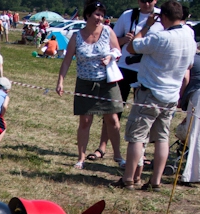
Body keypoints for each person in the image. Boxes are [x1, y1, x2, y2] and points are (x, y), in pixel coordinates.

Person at [118, 0, 195, 190]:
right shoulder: (189, 36)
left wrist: (146, 26)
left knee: (137, 136)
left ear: (164, 17)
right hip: (171, 94)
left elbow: (132, 47)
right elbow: (190, 65)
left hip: (151, 92)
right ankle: (156, 181)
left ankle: (128, 178)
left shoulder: (160, 37)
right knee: (162, 138)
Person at [90, 0, 163, 164]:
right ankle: (102, 147)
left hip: (147, 70)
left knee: (143, 114)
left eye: (149, 0)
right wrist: (123, 40)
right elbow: (112, 41)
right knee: (112, 109)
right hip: (123, 67)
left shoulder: (161, 17)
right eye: (142, 0)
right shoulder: (128, 15)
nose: (146, 3)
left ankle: (142, 152)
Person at [56, 1, 124, 170]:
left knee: (112, 119)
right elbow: (66, 61)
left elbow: (117, 50)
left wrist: (111, 56)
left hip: (107, 82)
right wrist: (60, 81)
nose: (100, 18)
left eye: (102, 15)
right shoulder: (76, 36)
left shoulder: (108, 31)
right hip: (85, 83)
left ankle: (118, 156)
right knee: (85, 121)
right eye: (97, 14)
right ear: (88, 15)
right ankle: (81, 158)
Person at [177, 51, 200, 185]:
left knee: (196, 135)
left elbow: (185, 79)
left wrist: (180, 97)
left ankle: (194, 175)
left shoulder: (193, 58)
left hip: (198, 95)